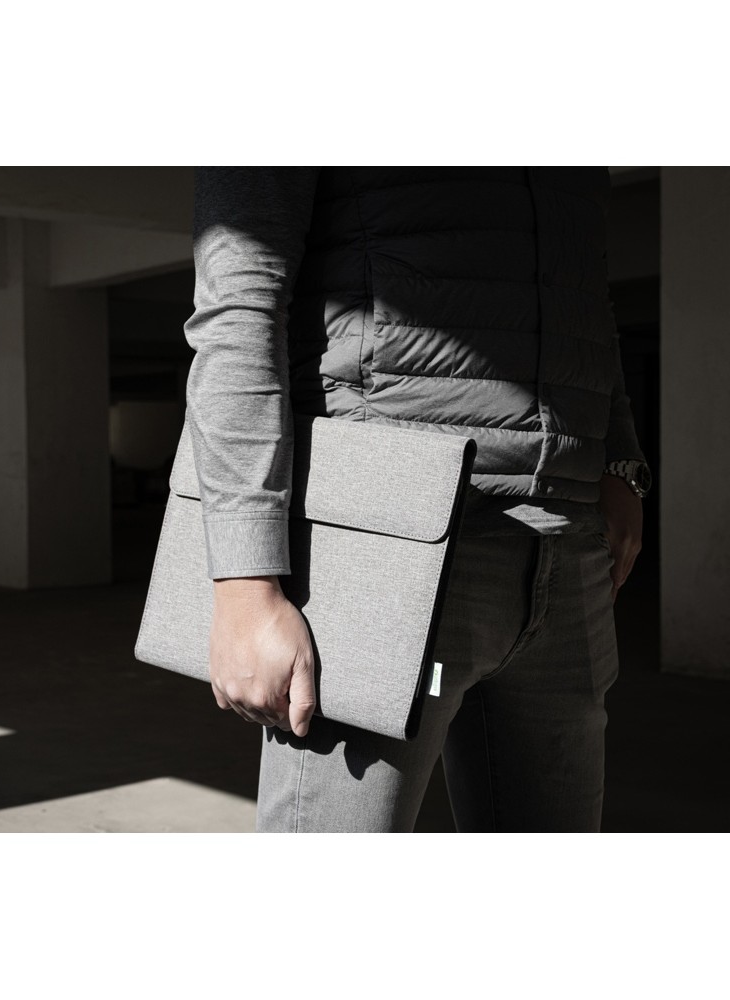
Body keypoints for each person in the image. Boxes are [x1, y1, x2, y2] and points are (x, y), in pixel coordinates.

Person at [182, 167, 650, 832]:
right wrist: (243, 582)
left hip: (567, 545)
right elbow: (238, 309)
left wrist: (619, 461)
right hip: (388, 543)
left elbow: (587, 297)